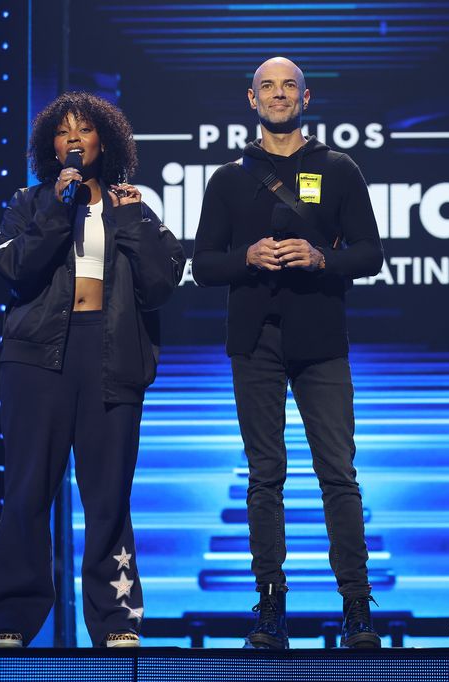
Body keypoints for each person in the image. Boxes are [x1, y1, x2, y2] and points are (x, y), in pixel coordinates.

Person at [0, 91, 185, 648]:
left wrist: (131, 221)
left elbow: (163, 284)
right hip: (37, 359)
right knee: (27, 490)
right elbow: (15, 268)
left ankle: (116, 619)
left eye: (84, 130)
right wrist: (56, 208)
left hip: (112, 353)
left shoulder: (132, 206)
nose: (74, 139)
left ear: (105, 141)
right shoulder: (31, 202)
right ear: (51, 145)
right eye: (63, 131)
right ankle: (11, 619)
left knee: (109, 494)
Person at [192, 57, 385, 649]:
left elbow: (371, 253)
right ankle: (270, 602)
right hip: (255, 343)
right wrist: (246, 258)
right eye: (268, 87)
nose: (279, 95)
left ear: (307, 96)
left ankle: (356, 606)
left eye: (289, 87)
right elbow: (202, 266)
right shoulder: (228, 179)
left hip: (321, 342)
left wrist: (321, 258)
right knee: (264, 476)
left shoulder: (339, 169)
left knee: (338, 473)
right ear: (252, 99)